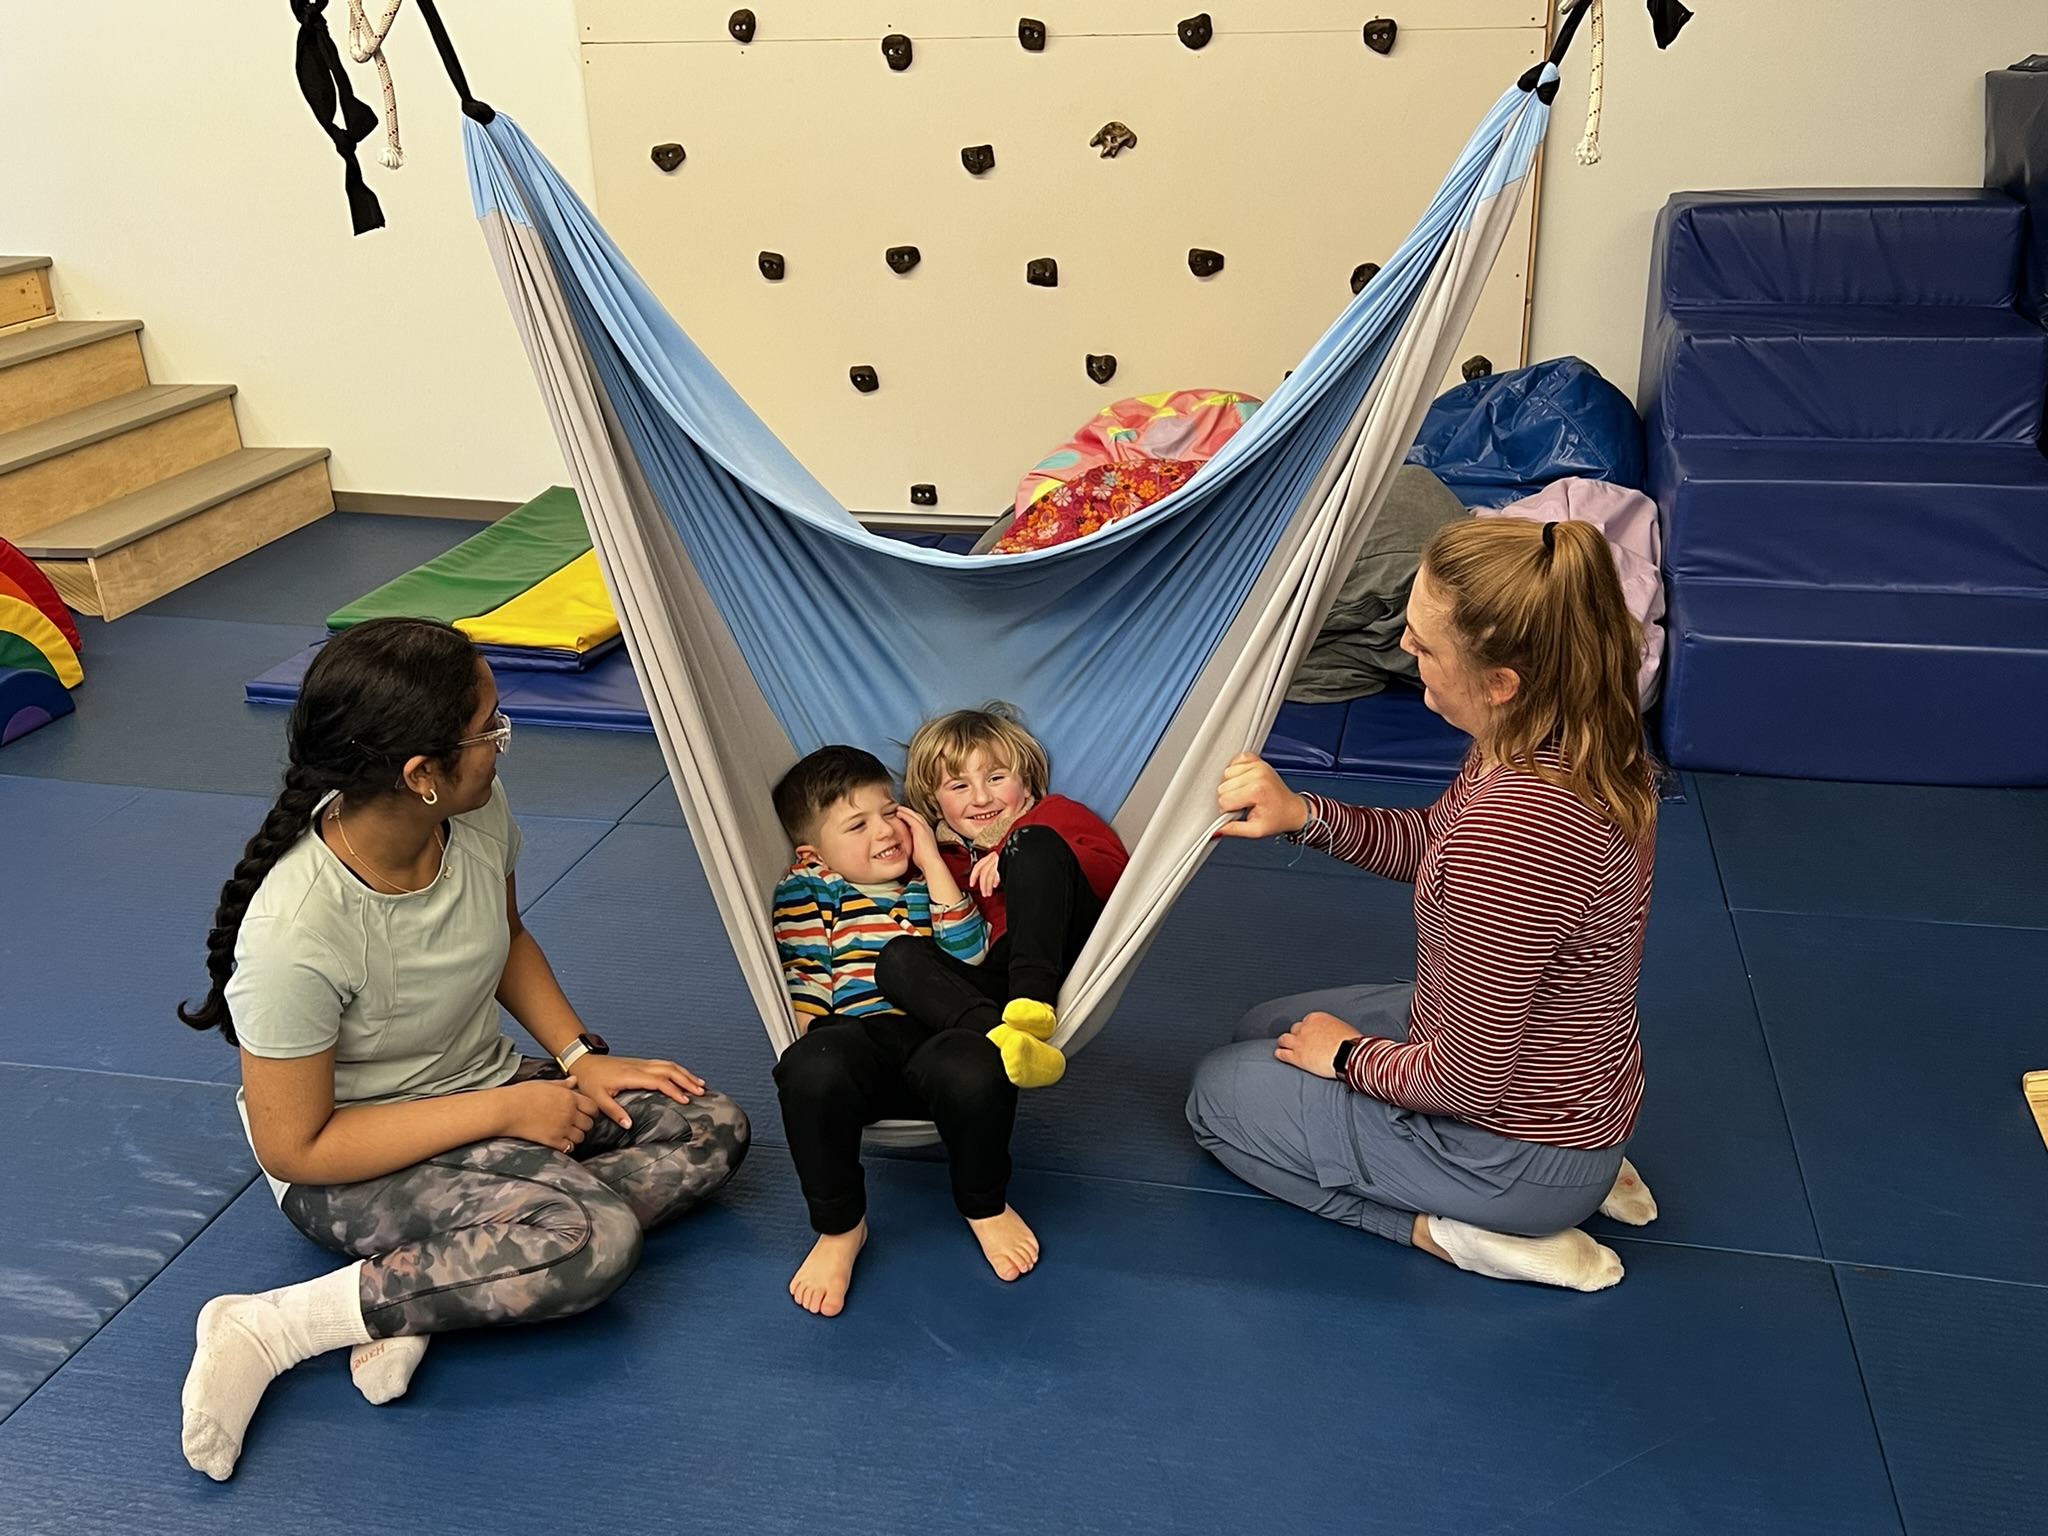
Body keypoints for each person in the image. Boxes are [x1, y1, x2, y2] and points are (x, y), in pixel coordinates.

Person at [174, 617, 748, 1480]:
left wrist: (577, 1056)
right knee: (593, 1238)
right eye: (491, 731)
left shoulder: (468, 813)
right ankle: (272, 1324)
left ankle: (434, 1291)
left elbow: (505, 935)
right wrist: (512, 1107)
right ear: (421, 775)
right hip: (355, 1159)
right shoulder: (296, 932)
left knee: (710, 1126)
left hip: (479, 1091)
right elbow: (297, 1145)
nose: (502, 746)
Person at [1188, 517, 1661, 1292]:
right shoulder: (1568, 730)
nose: (1406, 654)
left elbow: (1463, 1085)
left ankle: (1468, 1233)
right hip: (1563, 1078)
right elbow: (1435, 843)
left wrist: (1345, 1057)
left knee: (1216, 1098)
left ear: (1501, 680)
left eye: (1423, 645)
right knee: (1262, 1032)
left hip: (1514, 1147)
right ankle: (1579, 1167)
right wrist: (1305, 814)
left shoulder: (1517, 833)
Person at [768, 745, 1028, 1316]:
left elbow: (973, 955)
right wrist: (815, 1044)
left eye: (890, 812)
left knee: (980, 1064)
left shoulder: (927, 889)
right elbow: (805, 971)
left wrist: (933, 862)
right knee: (811, 1067)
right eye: (857, 824)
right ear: (813, 852)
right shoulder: (812, 889)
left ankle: (984, 1203)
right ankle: (840, 1229)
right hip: (857, 1043)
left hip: (937, 1038)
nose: (884, 831)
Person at [879, 703, 1128, 1090]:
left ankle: (1033, 1003)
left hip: (1062, 952)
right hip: (994, 983)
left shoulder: (1052, 816)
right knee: (896, 958)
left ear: (1025, 783)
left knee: (1033, 845)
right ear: (934, 802)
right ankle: (1003, 1039)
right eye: (959, 786)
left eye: (996, 778)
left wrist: (1010, 852)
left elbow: (1115, 874)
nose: (981, 798)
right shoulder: (936, 856)